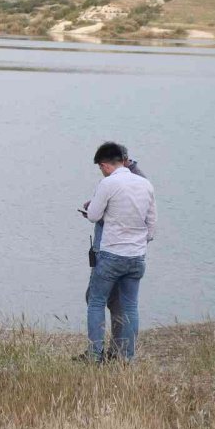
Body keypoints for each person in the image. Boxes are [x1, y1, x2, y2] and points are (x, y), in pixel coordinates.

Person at [79, 142, 157, 363]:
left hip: (112, 254)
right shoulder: (145, 184)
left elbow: (93, 215)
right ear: (124, 160)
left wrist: (95, 207)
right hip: (136, 256)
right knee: (130, 306)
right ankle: (127, 358)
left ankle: (95, 356)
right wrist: (139, 243)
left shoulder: (108, 183)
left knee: (96, 301)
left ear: (105, 166)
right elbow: (152, 225)